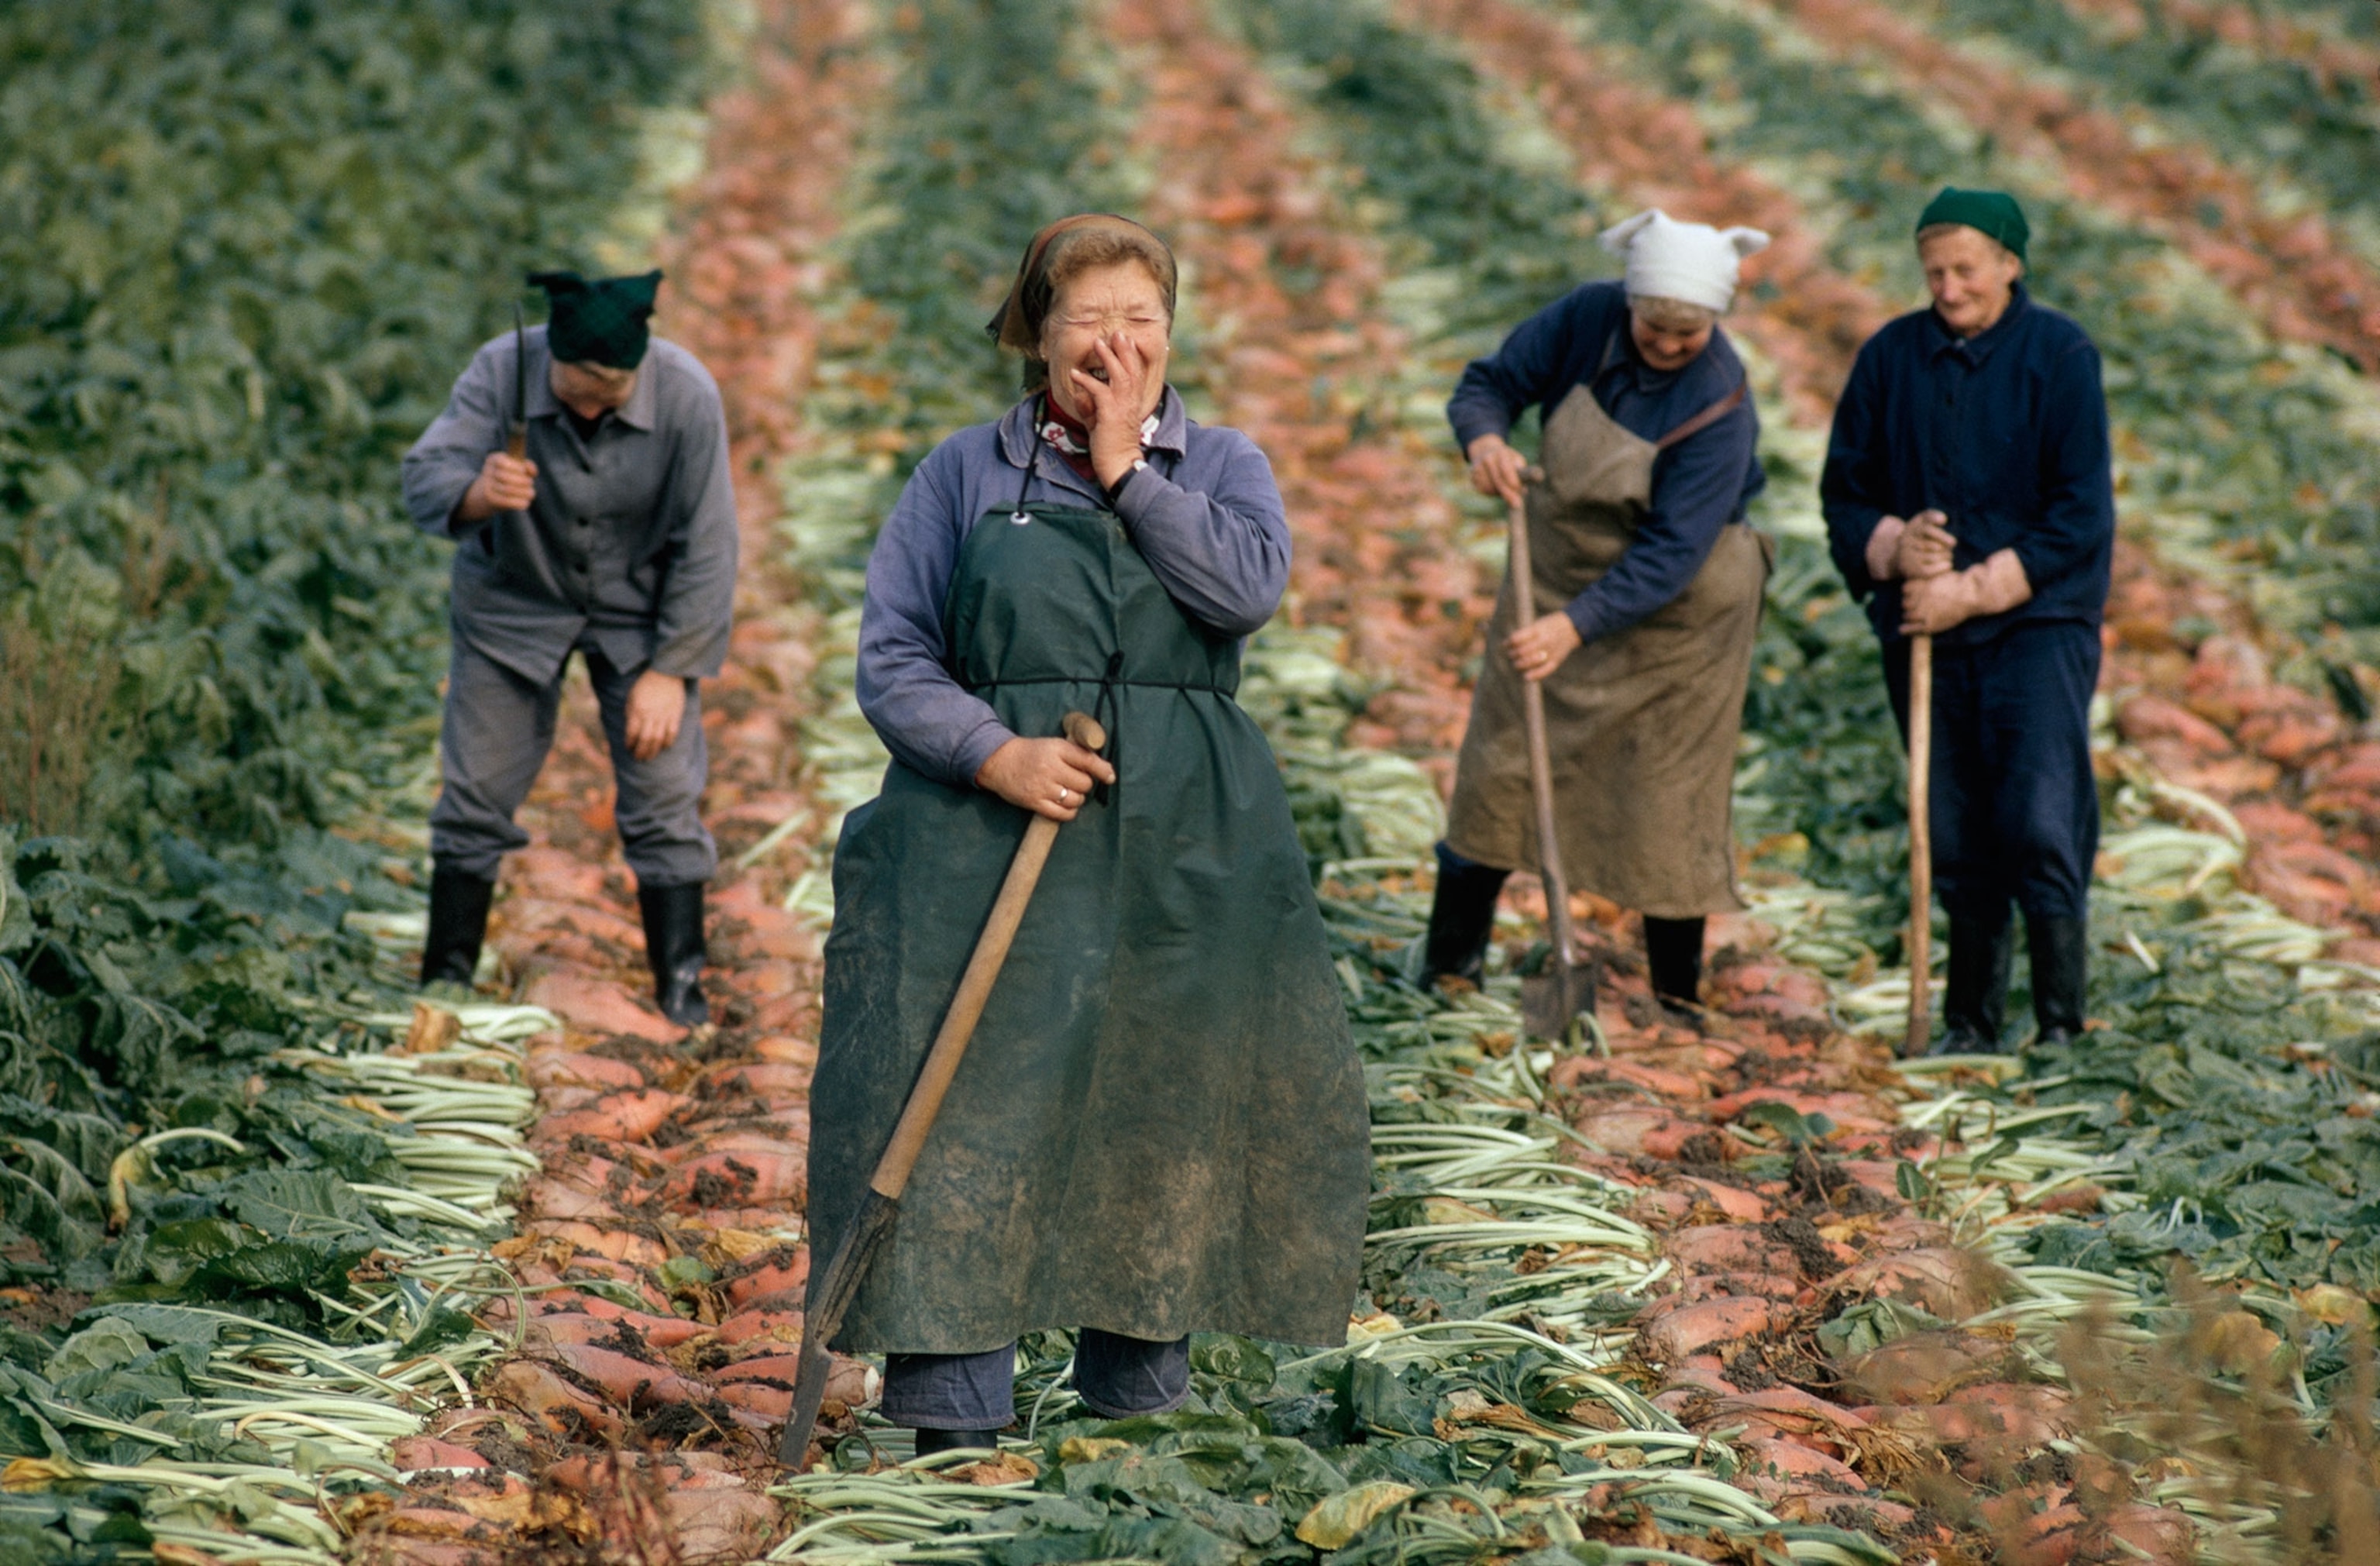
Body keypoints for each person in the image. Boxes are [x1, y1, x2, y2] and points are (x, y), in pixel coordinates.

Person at [807, 215, 1369, 1454]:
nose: (1120, 344)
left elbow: (1242, 592)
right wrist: (993, 751)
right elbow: (893, 656)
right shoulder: (962, 472)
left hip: (1182, 848)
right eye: (1091, 321)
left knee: (1157, 1105)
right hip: (981, 839)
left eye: (1145, 322)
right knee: (972, 1107)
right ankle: (956, 1421)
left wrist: (1128, 472)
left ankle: (1132, 1419)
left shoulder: (1221, 464)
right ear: (1036, 336)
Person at [1429, 210, 1775, 1018]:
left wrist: (1575, 626)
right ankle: (1449, 970)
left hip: (1681, 613)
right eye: (1655, 325)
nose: (1666, 343)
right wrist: (1484, 441)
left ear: (1714, 322)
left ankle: (1675, 998)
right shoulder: (1586, 318)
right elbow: (1489, 384)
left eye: (1687, 334)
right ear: (1631, 302)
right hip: (1559, 565)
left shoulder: (1722, 404)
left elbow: (1670, 551)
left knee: (1666, 791)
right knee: (1503, 761)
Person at [401, 270, 737, 1027]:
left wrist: (672, 670)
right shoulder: (501, 370)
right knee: (475, 788)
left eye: (609, 394)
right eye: (576, 389)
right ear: (549, 356)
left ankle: (681, 983)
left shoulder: (686, 395)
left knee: (664, 793)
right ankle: (446, 973)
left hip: (640, 616)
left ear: (637, 370)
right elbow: (423, 478)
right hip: (512, 606)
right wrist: (478, 493)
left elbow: (710, 545)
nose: (589, 404)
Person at [1821, 188, 2113, 1052]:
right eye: (1933, 272)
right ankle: (1969, 1020)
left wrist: (1976, 588)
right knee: (1951, 821)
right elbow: (1845, 490)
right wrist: (1890, 544)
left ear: (2010, 265)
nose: (1948, 289)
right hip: (1924, 632)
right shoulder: (1891, 358)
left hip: (2036, 624)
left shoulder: (2059, 355)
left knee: (2037, 814)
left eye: (1966, 270)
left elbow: (2080, 516)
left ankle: (2060, 1021)